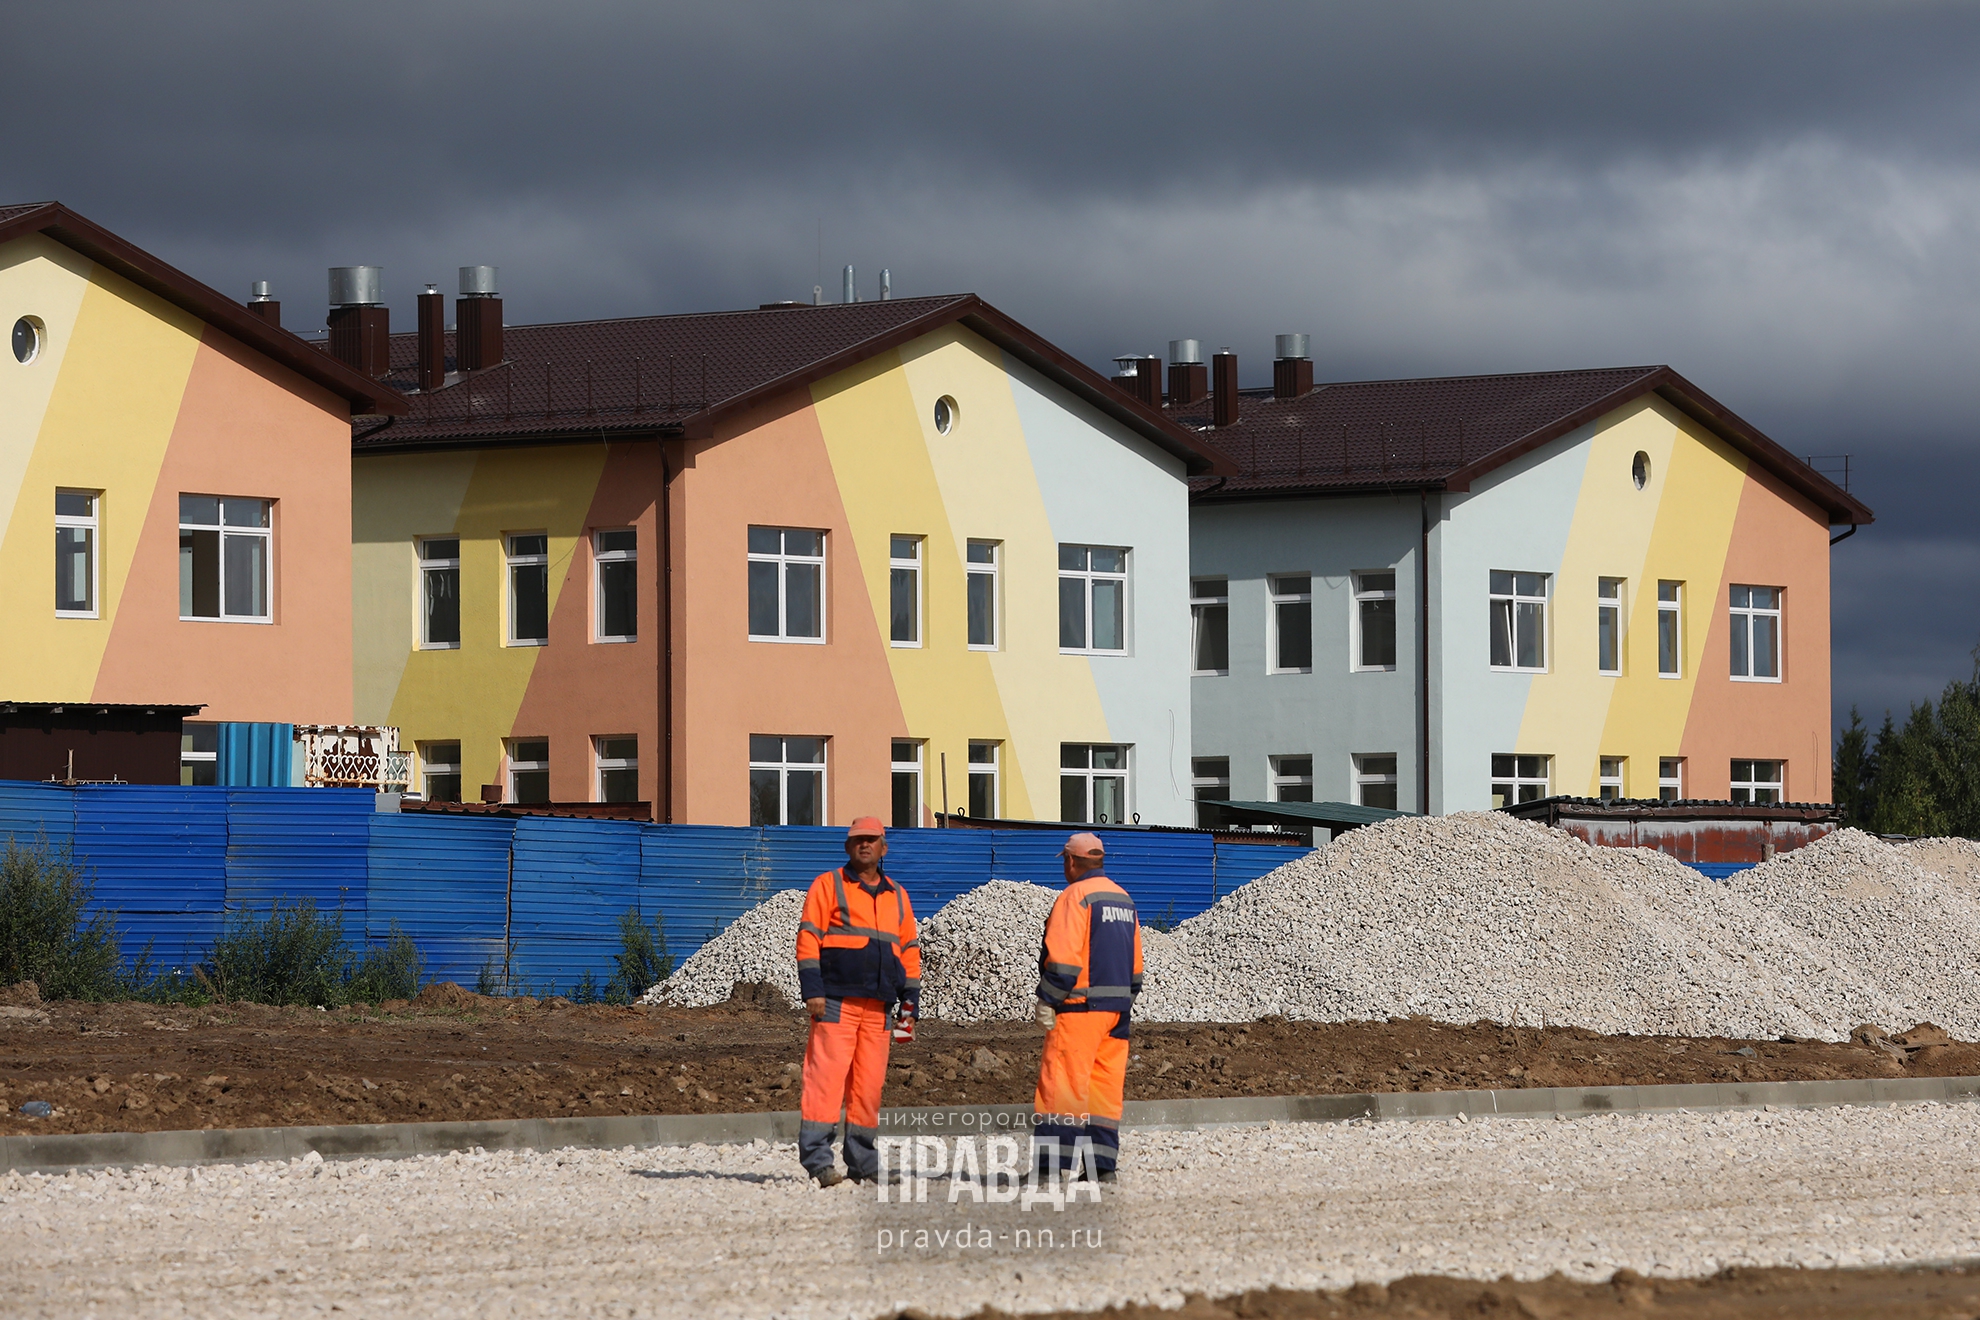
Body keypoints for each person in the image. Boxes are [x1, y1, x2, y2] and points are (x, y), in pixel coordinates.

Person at [794, 815, 920, 1187]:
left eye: (871, 839)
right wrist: (813, 990)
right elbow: (808, 939)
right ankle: (818, 1162)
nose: (864, 845)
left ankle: (863, 1163)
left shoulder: (898, 895)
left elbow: (909, 951)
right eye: (857, 840)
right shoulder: (828, 885)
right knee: (825, 1082)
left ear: (884, 847)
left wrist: (909, 1005)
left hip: (879, 1007)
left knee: (867, 1088)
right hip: (835, 1001)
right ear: (848, 847)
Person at [1032, 831, 1142, 1182]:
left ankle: (1052, 1170)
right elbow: (1136, 968)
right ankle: (1101, 1169)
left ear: (1071, 861)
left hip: (1079, 1009)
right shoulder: (1123, 898)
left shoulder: (1074, 896)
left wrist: (1048, 998)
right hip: (1117, 1012)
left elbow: (1063, 961)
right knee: (1103, 1092)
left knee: (1063, 1088)